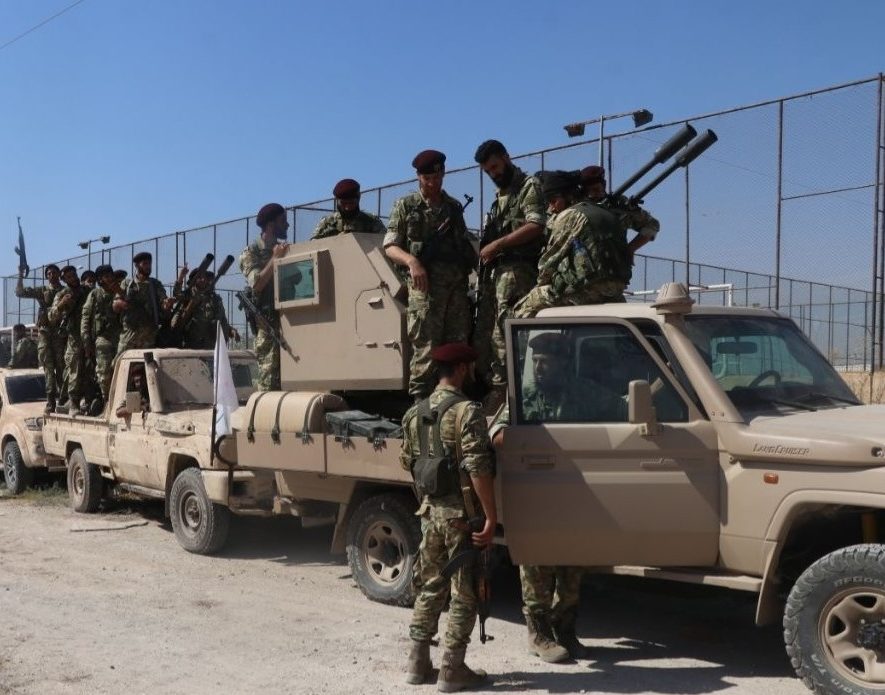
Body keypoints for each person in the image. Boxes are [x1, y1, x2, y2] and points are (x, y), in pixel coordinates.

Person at [488, 332, 617, 663]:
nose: (540, 367)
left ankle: (565, 631)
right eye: (536, 362)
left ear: (563, 364)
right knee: (537, 571)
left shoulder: (583, 393)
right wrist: (530, 440)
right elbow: (497, 435)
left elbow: (620, 409)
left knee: (572, 572)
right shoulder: (524, 399)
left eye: (547, 362)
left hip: (573, 497)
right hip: (536, 498)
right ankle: (538, 635)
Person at [400, 342, 497, 691]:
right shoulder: (466, 412)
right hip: (462, 518)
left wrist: (428, 502)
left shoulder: (414, 413)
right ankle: (452, 670)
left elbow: (408, 463)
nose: (471, 373)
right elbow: (477, 467)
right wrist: (489, 516)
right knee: (464, 593)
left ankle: (416, 662)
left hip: (430, 514)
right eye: (468, 367)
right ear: (459, 369)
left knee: (430, 587)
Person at [384, 150, 477, 400]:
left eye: (437, 177)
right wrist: (412, 261)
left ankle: (455, 405)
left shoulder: (453, 208)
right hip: (425, 292)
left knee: (457, 348)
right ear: (418, 177)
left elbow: (464, 244)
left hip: (455, 288)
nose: (433, 183)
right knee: (426, 350)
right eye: (428, 179)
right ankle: (421, 408)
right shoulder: (405, 206)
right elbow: (390, 246)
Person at [471, 140, 546, 406]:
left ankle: (509, 395)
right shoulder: (500, 196)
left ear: (506, 157)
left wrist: (498, 244)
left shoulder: (529, 186)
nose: (493, 174)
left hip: (518, 270)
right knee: (489, 333)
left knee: (507, 330)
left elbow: (536, 224)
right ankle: (497, 388)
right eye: (487, 171)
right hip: (496, 271)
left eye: (495, 167)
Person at [514, 170, 629, 319]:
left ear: (568, 196)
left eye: (553, 200)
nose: (552, 207)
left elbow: (548, 262)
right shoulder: (607, 213)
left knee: (521, 308)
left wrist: (539, 286)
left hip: (586, 292)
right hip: (616, 291)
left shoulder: (569, 215)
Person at [239, 202, 289, 390]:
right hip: (268, 329)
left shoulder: (284, 249)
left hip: (290, 323)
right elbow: (257, 283)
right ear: (270, 225)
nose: (287, 225)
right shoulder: (250, 253)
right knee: (269, 386)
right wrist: (275, 259)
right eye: (283, 220)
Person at [580, 165, 660, 262]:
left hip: (614, 268)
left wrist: (630, 248)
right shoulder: (577, 209)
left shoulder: (618, 205)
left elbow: (652, 224)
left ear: (603, 187)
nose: (591, 194)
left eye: (596, 190)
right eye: (587, 191)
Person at [15, 264, 66, 412]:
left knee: (61, 367)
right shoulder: (42, 291)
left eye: (54, 272)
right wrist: (20, 274)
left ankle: (63, 399)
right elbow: (20, 292)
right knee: (48, 368)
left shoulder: (64, 291)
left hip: (60, 334)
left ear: (59, 274)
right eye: (48, 273)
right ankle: (51, 401)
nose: (51, 275)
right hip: (45, 333)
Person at [81, 265, 125, 412]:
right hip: (103, 338)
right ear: (100, 279)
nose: (109, 278)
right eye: (105, 276)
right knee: (104, 373)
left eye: (110, 275)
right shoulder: (95, 294)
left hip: (121, 336)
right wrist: (86, 340)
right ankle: (108, 402)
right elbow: (86, 317)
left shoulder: (120, 291)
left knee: (123, 369)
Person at [113, 251, 175, 354]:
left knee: (146, 368)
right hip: (129, 335)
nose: (148, 266)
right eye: (145, 264)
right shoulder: (127, 284)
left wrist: (167, 304)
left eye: (150, 263)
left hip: (148, 337)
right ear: (137, 265)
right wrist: (121, 303)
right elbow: (115, 306)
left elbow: (163, 304)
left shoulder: (155, 284)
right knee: (119, 365)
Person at [48, 265, 89, 414]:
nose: (73, 277)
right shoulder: (62, 294)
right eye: (69, 276)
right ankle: (73, 403)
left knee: (90, 368)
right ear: (64, 280)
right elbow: (51, 316)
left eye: (74, 274)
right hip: (74, 337)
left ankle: (90, 400)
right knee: (75, 368)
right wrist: (61, 304)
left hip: (90, 334)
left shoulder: (86, 291)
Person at [177, 268, 239, 349]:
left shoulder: (215, 299)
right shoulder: (188, 295)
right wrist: (181, 277)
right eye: (199, 277)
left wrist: (230, 330)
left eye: (205, 277)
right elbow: (177, 295)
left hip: (213, 345)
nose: (203, 280)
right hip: (193, 345)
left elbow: (221, 320)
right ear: (193, 280)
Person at [311, 178, 385, 239]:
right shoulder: (327, 223)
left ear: (359, 197)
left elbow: (384, 243)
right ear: (336, 199)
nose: (347, 208)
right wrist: (336, 240)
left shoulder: (371, 221)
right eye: (343, 203)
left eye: (351, 203)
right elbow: (313, 246)